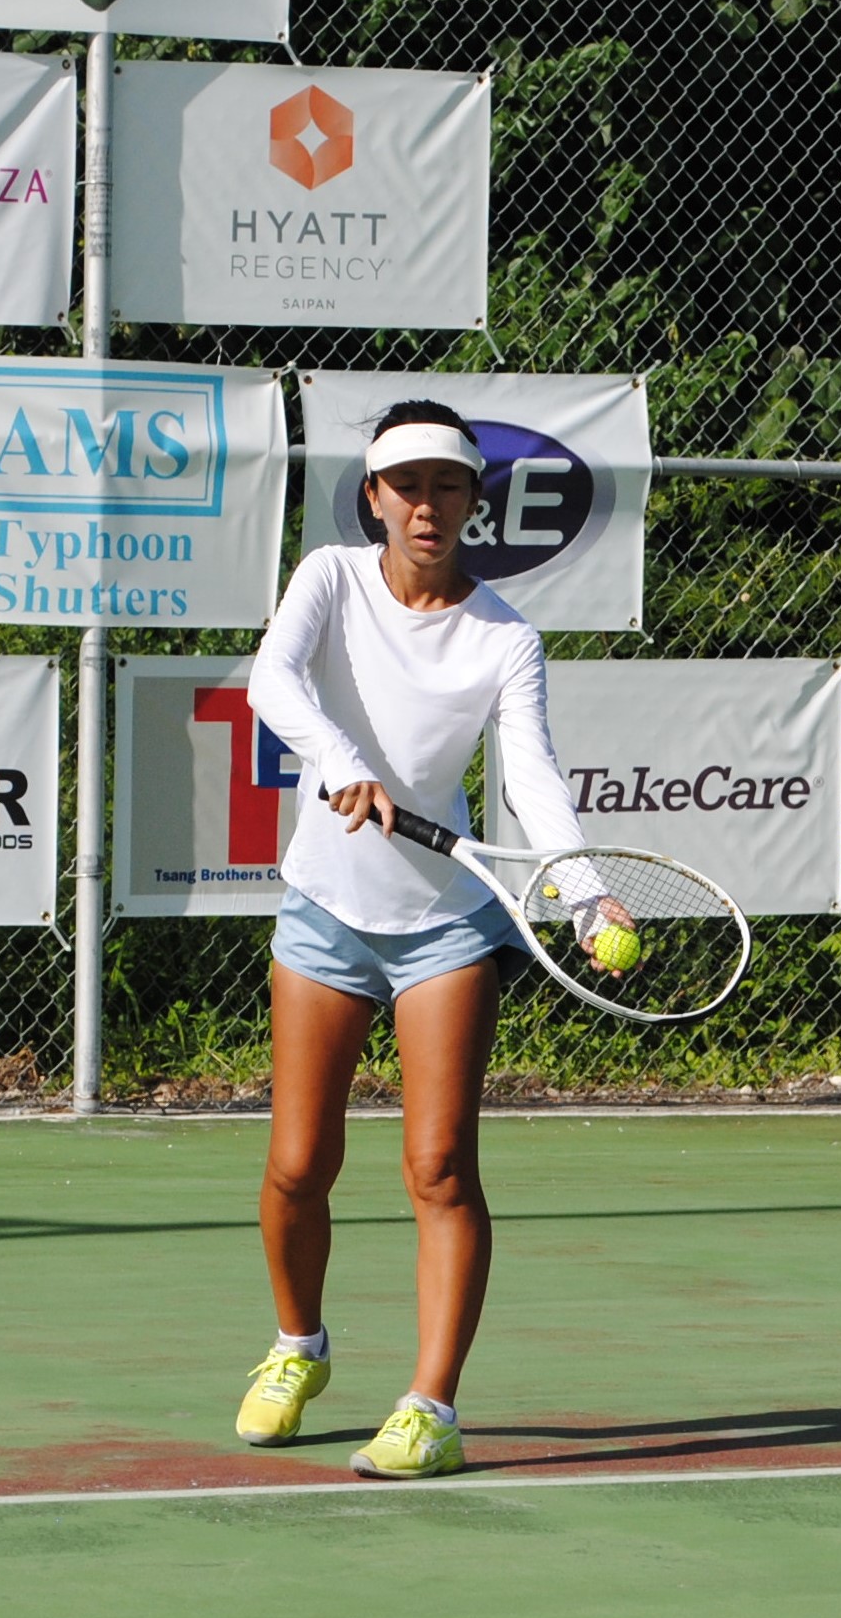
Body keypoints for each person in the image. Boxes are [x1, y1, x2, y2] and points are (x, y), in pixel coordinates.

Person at [237, 399, 597, 1480]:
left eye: (448, 485)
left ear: (471, 501)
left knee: (439, 1164)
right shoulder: (329, 579)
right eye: (408, 486)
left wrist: (582, 892)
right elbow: (271, 680)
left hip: (445, 924)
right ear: (375, 498)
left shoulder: (504, 636)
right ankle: (299, 1346)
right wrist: (341, 761)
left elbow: (529, 772)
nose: (427, 504)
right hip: (324, 911)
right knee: (299, 1164)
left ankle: (432, 1404)